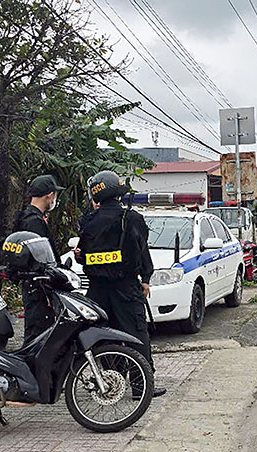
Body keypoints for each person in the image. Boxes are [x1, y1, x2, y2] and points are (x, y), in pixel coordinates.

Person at [74, 170, 166, 398]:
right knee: (136, 335)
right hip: (126, 288)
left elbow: (82, 255)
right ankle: (140, 386)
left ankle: (113, 383)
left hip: (96, 291)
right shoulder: (132, 218)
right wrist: (145, 279)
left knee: (104, 336)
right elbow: (142, 252)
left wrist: (79, 256)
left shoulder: (87, 221)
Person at [12, 174, 65, 344]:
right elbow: (40, 259)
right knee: (37, 336)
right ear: (49, 196)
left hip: (35, 286)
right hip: (38, 288)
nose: (54, 199)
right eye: (54, 195)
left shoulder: (27, 217)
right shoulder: (34, 222)